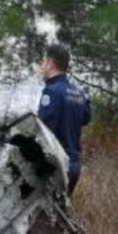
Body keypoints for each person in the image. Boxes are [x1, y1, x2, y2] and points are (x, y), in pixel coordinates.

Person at [38, 44, 92, 196]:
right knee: (61, 213)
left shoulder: (52, 92)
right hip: (74, 165)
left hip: (57, 165)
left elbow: (44, 130)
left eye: (43, 62)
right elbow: (87, 118)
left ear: (50, 63)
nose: (42, 67)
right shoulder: (78, 93)